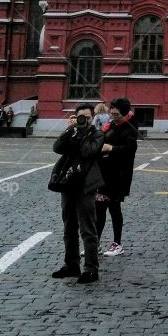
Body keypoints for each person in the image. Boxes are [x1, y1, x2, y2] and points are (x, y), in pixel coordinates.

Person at [52, 104, 109, 283]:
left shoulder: (97, 135)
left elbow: (87, 152)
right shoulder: (73, 132)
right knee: (69, 227)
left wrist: (82, 132)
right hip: (68, 184)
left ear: (92, 118)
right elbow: (57, 147)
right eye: (80, 117)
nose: (84, 120)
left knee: (87, 229)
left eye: (87, 117)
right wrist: (70, 129)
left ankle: (91, 269)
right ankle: (72, 265)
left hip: (86, 186)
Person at [96, 97, 138, 258]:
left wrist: (111, 148)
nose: (112, 111)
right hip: (104, 174)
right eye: (112, 108)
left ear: (124, 110)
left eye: (116, 109)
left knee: (114, 209)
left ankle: (117, 243)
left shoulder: (130, 127)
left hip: (118, 176)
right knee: (98, 209)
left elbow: (130, 149)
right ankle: (96, 243)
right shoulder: (111, 125)